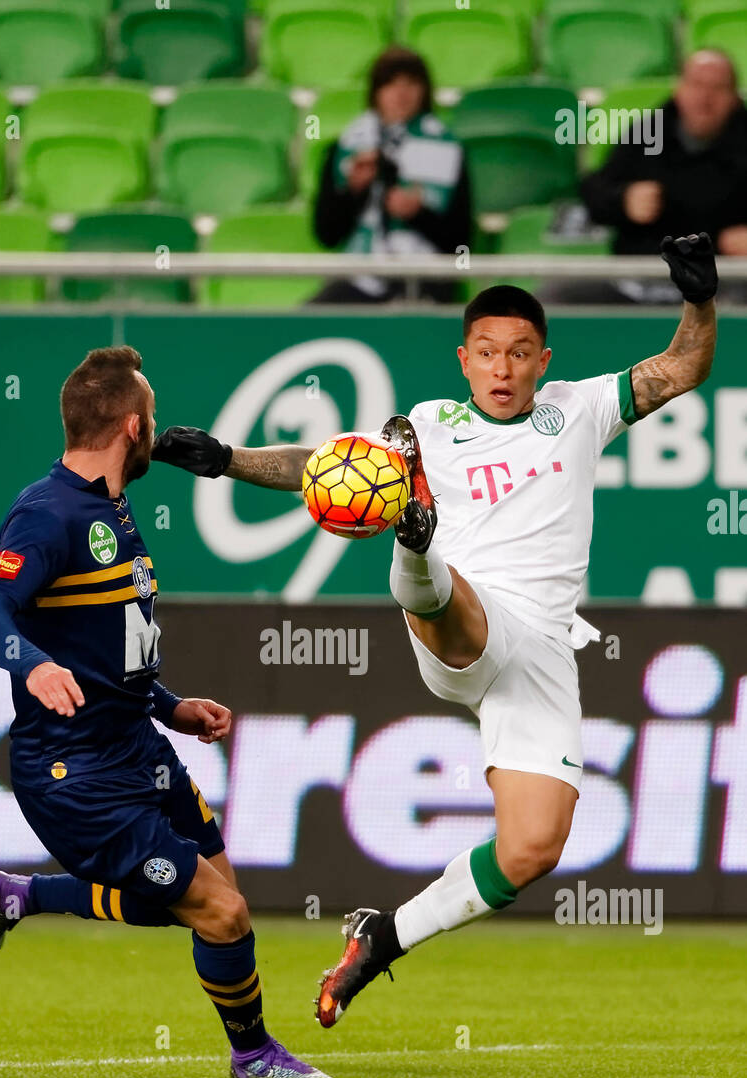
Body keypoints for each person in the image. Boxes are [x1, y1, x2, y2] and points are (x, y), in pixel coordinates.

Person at [150, 235, 718, 1029]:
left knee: (532, 849)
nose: (503, 368)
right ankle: (415, 545)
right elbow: (325, 464)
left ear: (543, 360)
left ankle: (383, 937)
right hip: (458, 620)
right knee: (448, 593)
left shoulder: (582, 410)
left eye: (520, 353)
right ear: (464, 358)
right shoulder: (427, 425)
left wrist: (699, 297)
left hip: (543, 650)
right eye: (488, 352)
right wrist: (226, 458)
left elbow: (682, 368)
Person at [0, 346, 329, 1078]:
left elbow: (107, 644)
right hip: (76, 775)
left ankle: (23, 893)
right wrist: (33, 665)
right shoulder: (47, 514)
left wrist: (170, 706)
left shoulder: (111, 508)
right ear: (133, 427)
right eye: (151, 415)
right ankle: (253, 1054)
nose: (157, 427)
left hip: (137, 745)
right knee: (219, 914)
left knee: (222, 901)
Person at [578, 50, 747, 305]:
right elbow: (594, 192)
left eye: (718, 88)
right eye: (696, 84)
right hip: (639, 279)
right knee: (557, 296)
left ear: (734, 98)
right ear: (679, 88)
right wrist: (623, 200)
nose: (705, 98)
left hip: (722, 284)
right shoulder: (647, 131)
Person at [310, 47, 471, 304]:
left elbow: (461, 241)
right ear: (375, 92)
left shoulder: (450, 149)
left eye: (410, 84)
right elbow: (326, 234)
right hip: (358, 276)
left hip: (426, 277)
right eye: (390, 84)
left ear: (424, 90)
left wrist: (418, 214)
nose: (401, 94)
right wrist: (354, 192)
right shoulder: (345, 148)